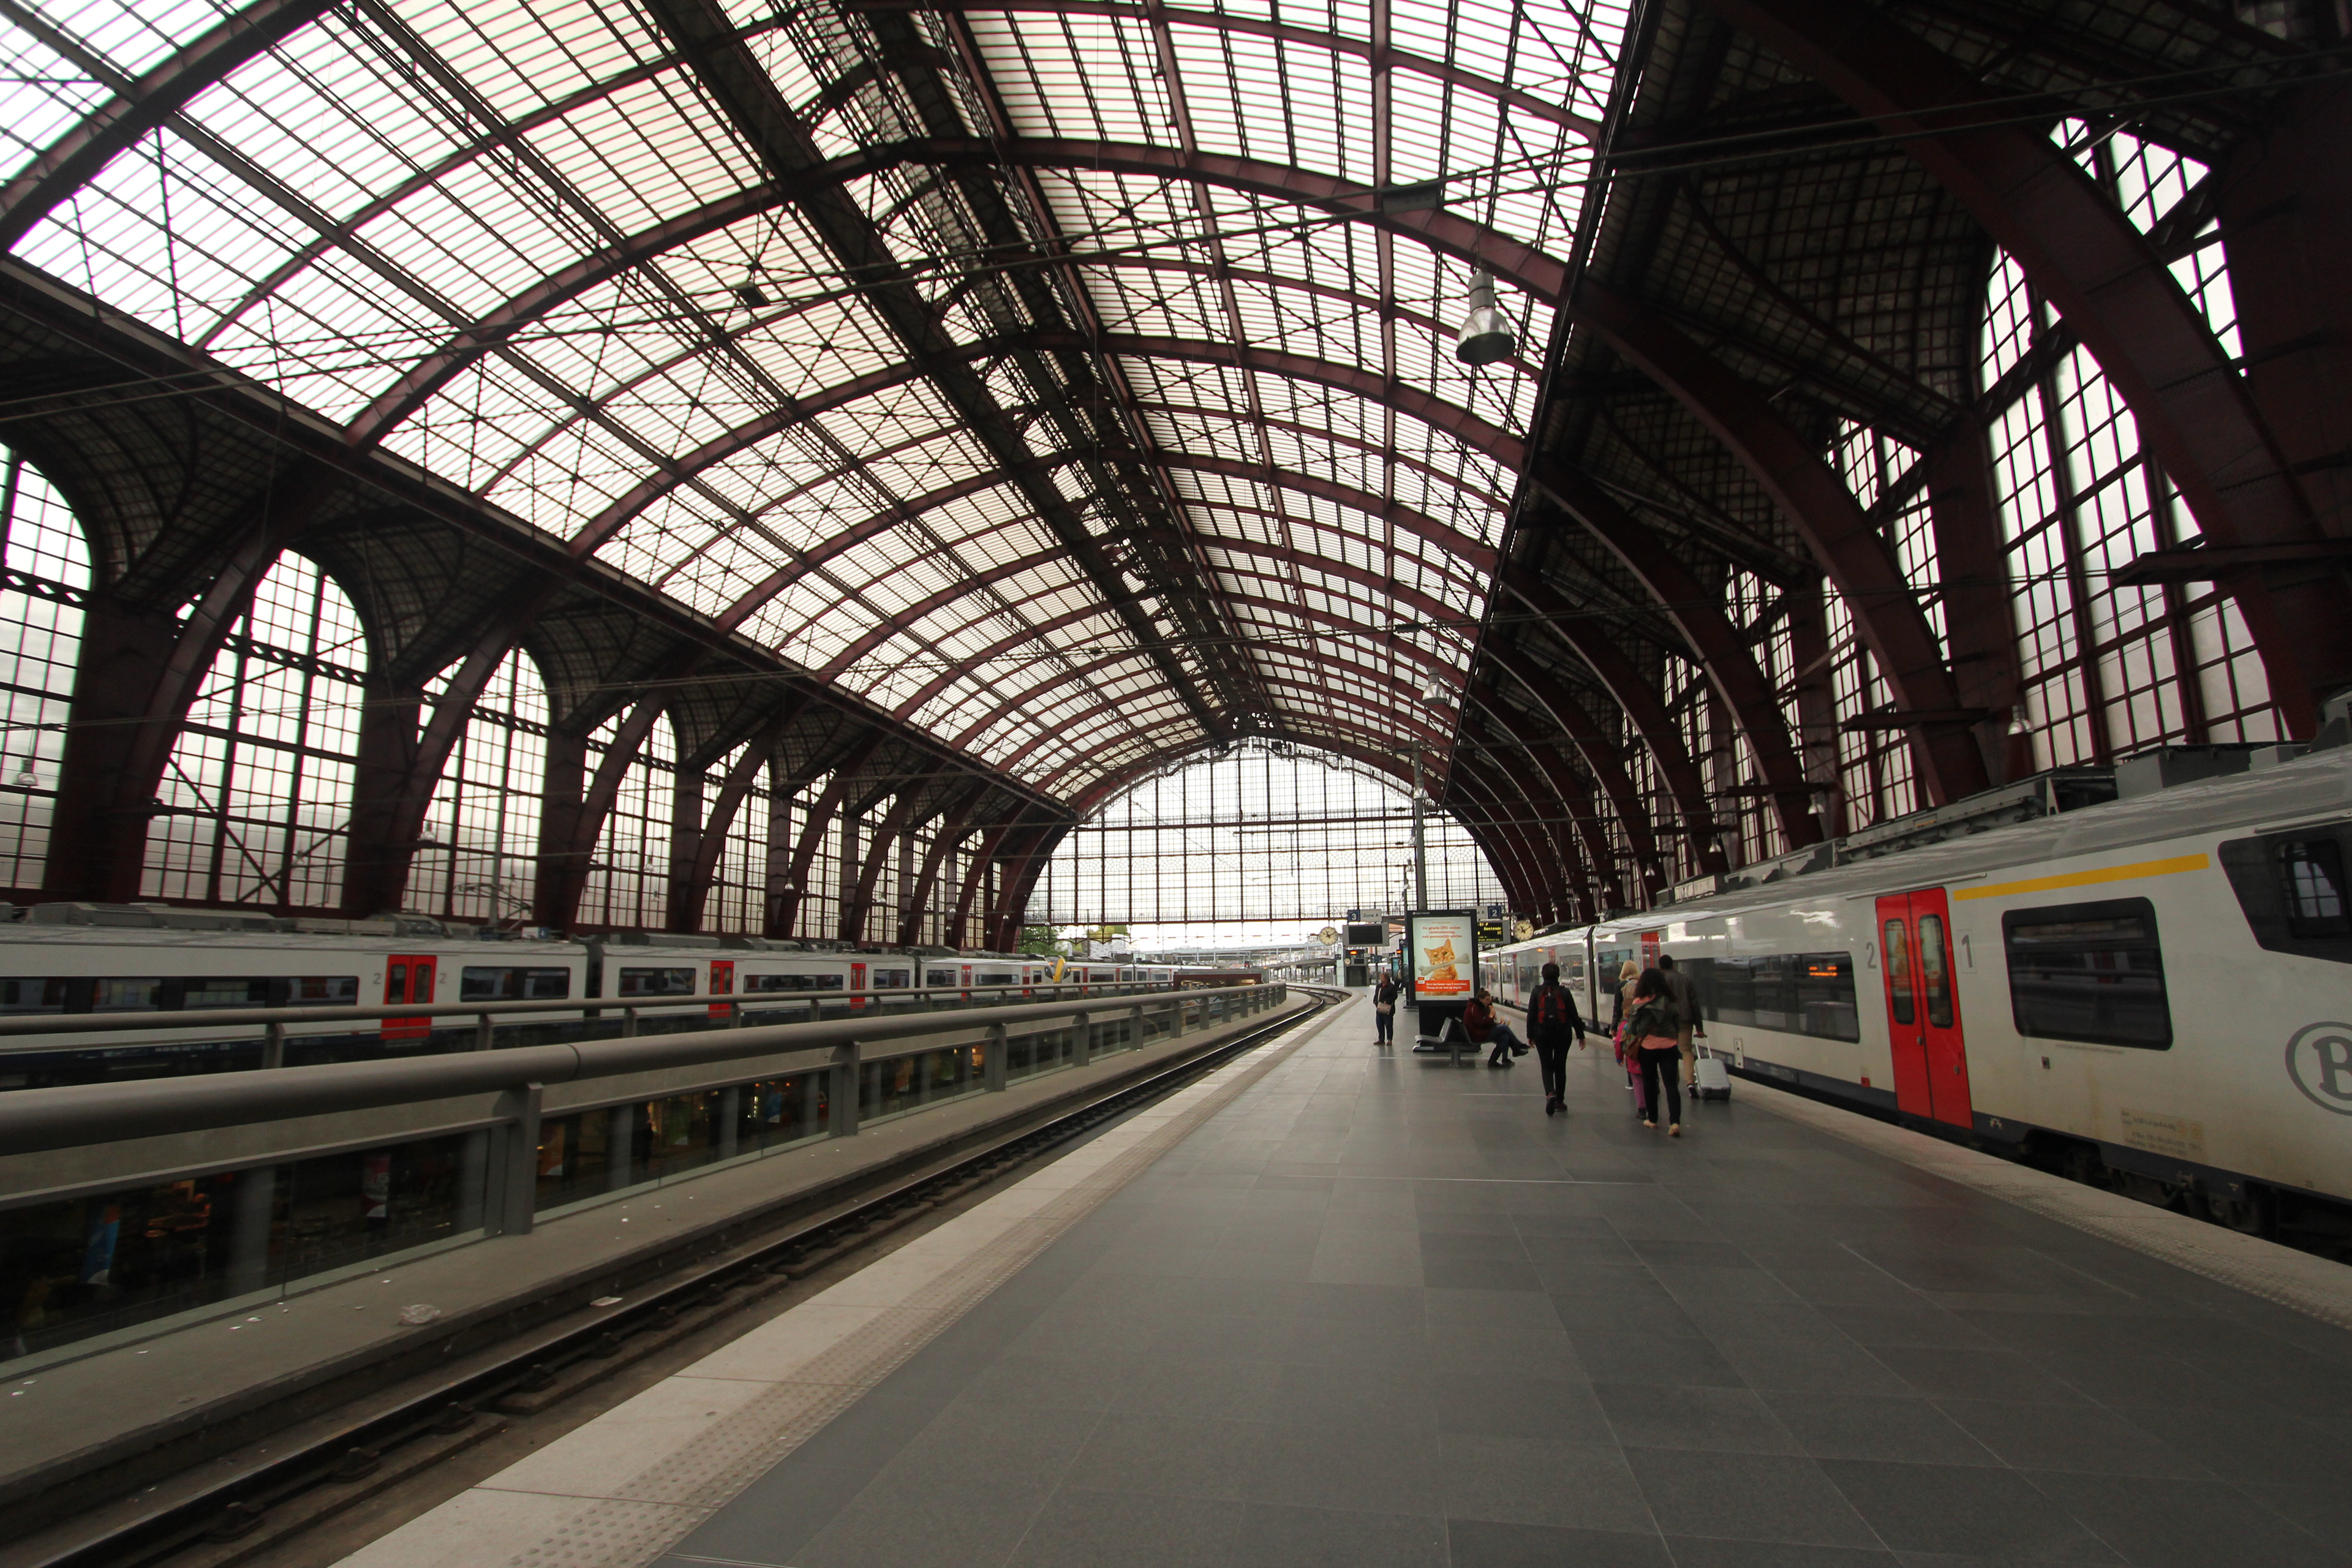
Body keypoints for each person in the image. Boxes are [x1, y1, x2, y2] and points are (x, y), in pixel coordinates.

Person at [1624, 968, 1684, 1136]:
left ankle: (1653, 1119)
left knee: (1650, 1083)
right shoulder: (1670, 1002)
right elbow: (1677, 1025)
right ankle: (1675, 1123)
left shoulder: (1638, 1003)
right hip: (1669, 1047)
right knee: (1671, 1085)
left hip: (1648, 1048)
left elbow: (1633, 1029)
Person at [1526, 961, 1585, 1117]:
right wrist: (1581, 1035)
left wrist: (1530, 1036)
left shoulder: (1537, 992)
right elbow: (1574, 1015)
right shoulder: (1564, 992)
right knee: (1560, 1066)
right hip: (1562, 1034)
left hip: (1542, 1034)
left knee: (1546, 1066)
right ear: (1559, 975)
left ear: (1542, 975)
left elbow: (1531, 1015)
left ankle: (1550, 1093)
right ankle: (1560, 1101)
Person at [1656, 954, 1702, 1090]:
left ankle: (1673, 1081)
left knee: (1670, 1051)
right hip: (1686, 1019)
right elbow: (1694, 1003)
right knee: (1687, 1050)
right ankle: (1690, 1081)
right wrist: (1699, 1027)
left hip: (1667, 1022)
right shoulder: (1685, 978)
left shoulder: (1660, 980)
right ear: (1673, 965)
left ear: (1661, 966)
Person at [1611, 958, 1643, 1117]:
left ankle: (1632, 1080)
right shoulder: (1643, 984)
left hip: (1627, 1024)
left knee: (1630, 1049)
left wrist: (1613, 1028)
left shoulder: (1621, 986)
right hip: (1644, 1025)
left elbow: (1617, 1008)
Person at [1464, 989, 1524, 1068]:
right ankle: (1517, 1047)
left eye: (1490, 1000)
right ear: (1480, 1000)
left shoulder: (1477, 1007)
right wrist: (1491, 1016)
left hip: (1478, 1032)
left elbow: (1485, 1023)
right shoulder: (1475, 1008)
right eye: (1487, 1000)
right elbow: (1481, 1023)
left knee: (1504, 1037)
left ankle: (1494, 1062)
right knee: (1504, 1028)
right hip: (1477, 1035)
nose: (1489, 1002)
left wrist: (1495, 1021)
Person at [1372, 973, 1399, 1046]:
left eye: (1382, 977)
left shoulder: (1391, 987)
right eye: (1380, 977)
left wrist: (1387, 1001)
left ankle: (1389, 1039)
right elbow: (1376, 995)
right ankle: (1381, 1040)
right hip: (1380, 1008)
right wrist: (1375, 1001)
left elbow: (1395, 996)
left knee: (1388, 1024)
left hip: (1388, 1009)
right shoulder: (1379, 986)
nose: (1381, 979)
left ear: (1386, 979)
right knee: (1379, 1024)